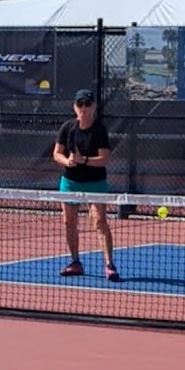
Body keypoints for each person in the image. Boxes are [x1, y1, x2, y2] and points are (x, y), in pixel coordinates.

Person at [52, 88, 119, 281]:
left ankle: (109, 265)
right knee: (69, 223)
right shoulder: (67, 128)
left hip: (95, 183)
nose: (84, 108)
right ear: (75, 107)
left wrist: (84, 161)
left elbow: (104, 159)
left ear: (94, 107)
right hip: (70, 183)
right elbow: (57, 153)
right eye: (80, 104)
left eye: (87, 104)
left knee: (100, 222)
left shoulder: (99, 130)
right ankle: (75, 262)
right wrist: (67, 162)